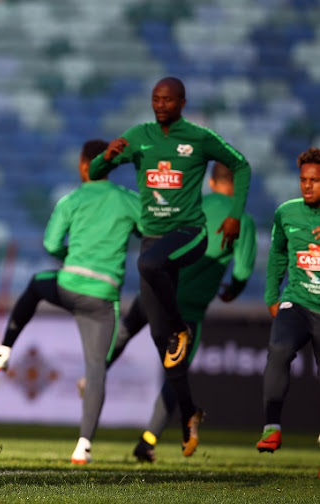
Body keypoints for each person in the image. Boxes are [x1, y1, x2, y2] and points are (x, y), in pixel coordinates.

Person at [88, 76, 251, 457]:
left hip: (188, 233)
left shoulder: (198, 137)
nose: (160, 104)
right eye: (155, 99)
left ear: (181, 102)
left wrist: (236, 216)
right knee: (167, 350)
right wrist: (107, 157)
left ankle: (177, 330)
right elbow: (95, 173)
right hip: (153, 242)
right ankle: (189, 413)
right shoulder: (139, 135)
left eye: (168, 99)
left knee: (148, 264)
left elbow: (241, 165)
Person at [0, 139, 140, 464]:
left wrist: (72, 256)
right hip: (103, 294)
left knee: (38, 283)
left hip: (69, 285)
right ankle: (83, 445)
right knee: (96, 370)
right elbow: (151, 233)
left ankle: (5, 348)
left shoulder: (72, 199)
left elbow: (51, 244)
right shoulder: (128, 201)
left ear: (84, 165)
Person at [103, 162, 257, 462]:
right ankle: (147, 441)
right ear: (234, 187)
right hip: (188, 310)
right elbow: (243, 270)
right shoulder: (243, 221)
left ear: (211, 183)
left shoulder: (192, 205)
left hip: (154, 293)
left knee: (124, 332)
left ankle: (96, 371)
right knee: (176, 372)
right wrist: (231, 292)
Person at [257, 147, 320, 453]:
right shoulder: (287, 212)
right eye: (303, 180)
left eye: (315, 180)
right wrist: (272, 294)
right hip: (296, 301)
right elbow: (278, 254)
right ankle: (272, 428)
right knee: (278, 350)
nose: (307, 185)